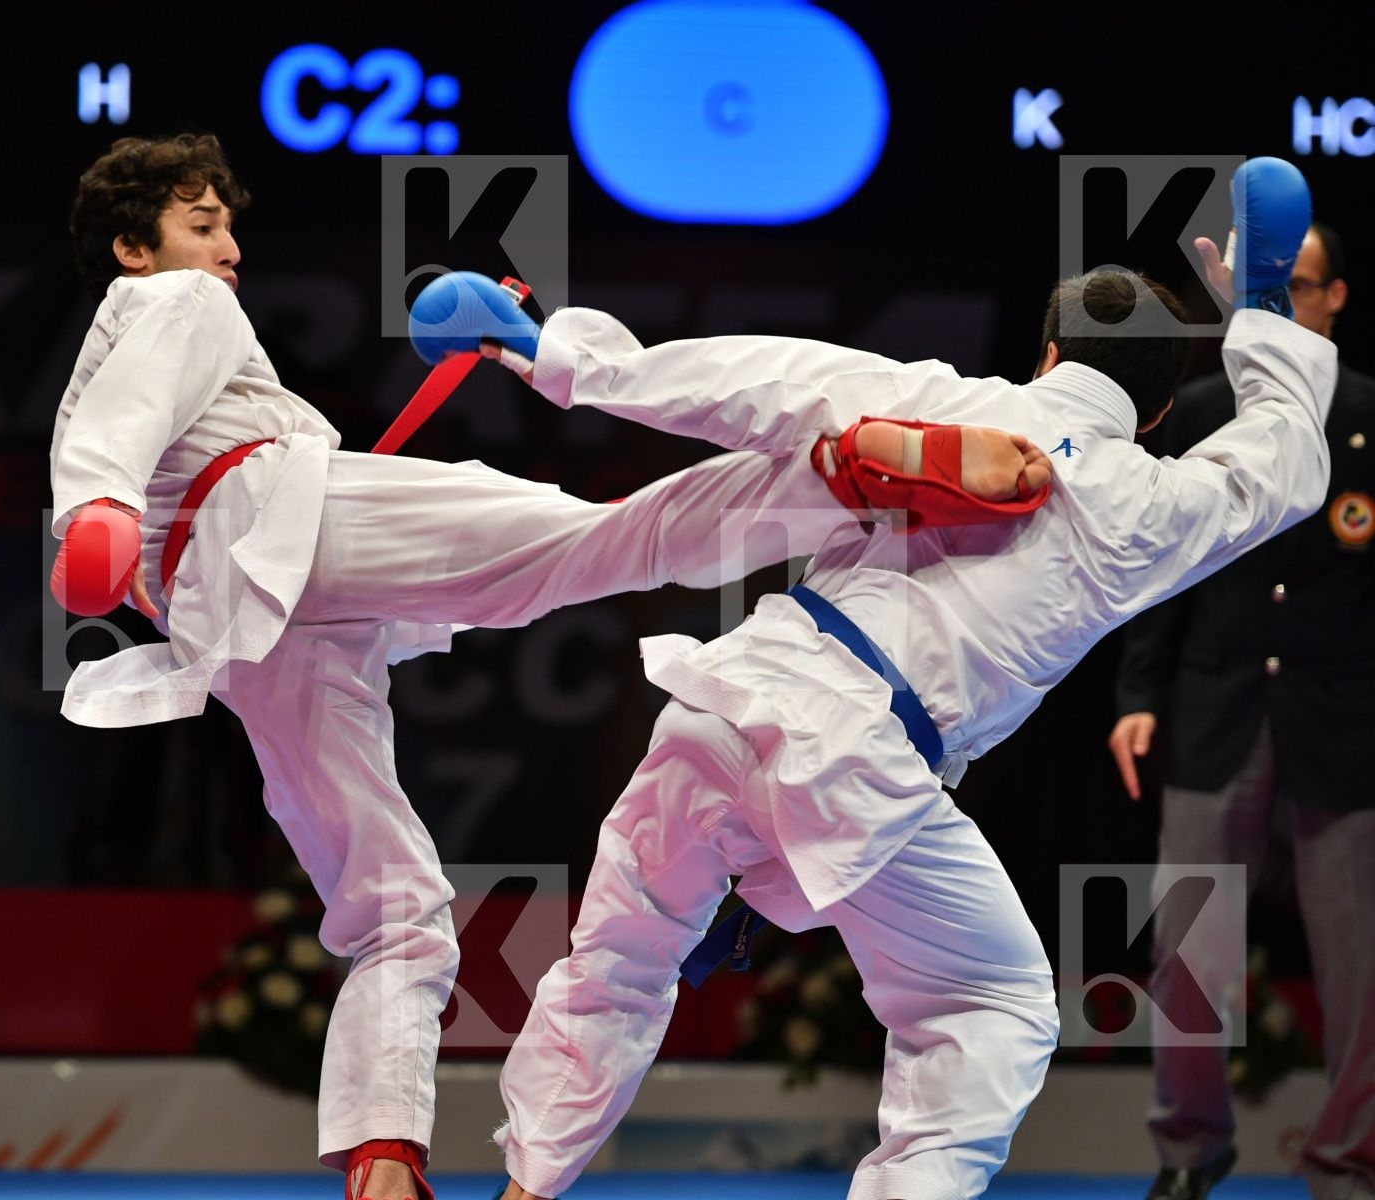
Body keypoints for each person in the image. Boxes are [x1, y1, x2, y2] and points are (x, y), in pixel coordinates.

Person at [46, 134, 1045, 1200]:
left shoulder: (126, 345)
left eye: (231, 226)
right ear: (131, 247)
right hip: (280, 520)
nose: (230, 249)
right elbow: (121, 421)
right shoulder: (168, 303)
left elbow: (121, 429)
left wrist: (103, 520)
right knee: (600, 542)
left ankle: (383, 1157)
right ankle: (850, 472)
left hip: (238, 612)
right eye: (204, 226)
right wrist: (95, 508)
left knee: (389, 903)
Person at [473, 159, 1333, 1200]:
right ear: (1156, 415)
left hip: (729, 697)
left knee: (617, 962)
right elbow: (1281, 465)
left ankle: (523, 1189)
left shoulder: (949, 400)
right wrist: (1261, 311)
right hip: (862, 759)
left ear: (1049, 355)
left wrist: (557, 355)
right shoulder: (1148, 503)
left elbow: (758, 382)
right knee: (993, 1005)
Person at [1109, 222, 1374, 1200]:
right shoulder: (1204, 411)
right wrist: (1137, 697)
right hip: (1215, 712)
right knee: (1188, 957)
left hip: (1345, 728)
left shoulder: (1369, 418)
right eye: (1267, 290)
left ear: (1335, 298)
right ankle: (1188, 1148)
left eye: (1298, 288)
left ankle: (1351, 1159)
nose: (1283, 307)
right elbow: (1158, 565)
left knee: (1362, 973)